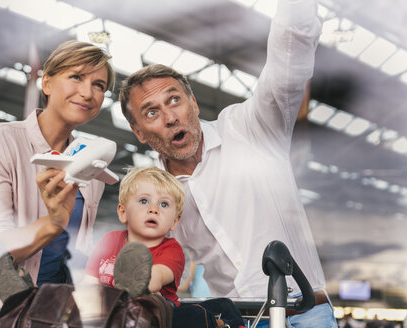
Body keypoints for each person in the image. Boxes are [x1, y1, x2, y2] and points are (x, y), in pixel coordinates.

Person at [119, 0, 336, 326]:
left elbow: (288, 63)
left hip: (307, 313)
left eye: (174, 100)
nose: (169, 117)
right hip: (235, 321)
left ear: (192, 102)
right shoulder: (154, 197)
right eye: (151, 112)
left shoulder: (254, 127)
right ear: (138, 131)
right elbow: (160, 265)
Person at [0, 40, 115, 327]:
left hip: (52, 317)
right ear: (46, 82)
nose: (88, 92)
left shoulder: (92, 171)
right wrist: (51, 224)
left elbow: (72, 256)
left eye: (99, 85)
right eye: (76, 77)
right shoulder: (0, 140)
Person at [84, 166, 185, 306]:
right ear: (123, 212)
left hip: (153, 317)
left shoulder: (171, 249)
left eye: (164, 204)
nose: (153, 209)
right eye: (144, 201)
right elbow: (90, 280)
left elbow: (156, 278)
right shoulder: (110, 240)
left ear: (174, 221)